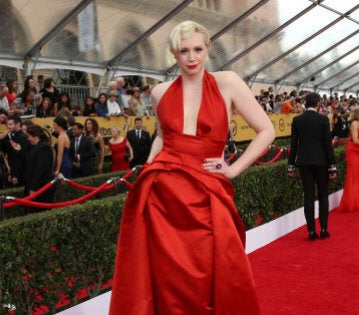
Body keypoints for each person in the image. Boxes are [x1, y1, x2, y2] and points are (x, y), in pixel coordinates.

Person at [110, 21, 274, 314]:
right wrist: (148, 169)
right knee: (165, 278)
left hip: (206, 190)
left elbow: (266, 131)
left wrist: (233, 169)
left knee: (213, 272)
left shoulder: (228, 82)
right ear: (174, 53)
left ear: (208, 48)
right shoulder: (160, 92)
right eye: (184, 51)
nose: (191, 57)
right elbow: (162, 135)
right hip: (162, 193)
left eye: (198, 49)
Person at [288, 92, 337, 240]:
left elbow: (293, 145)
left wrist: (291, 165)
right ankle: (323, 229)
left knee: (308, 196)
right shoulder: (323, 120)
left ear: (305, 104)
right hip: (321, 162)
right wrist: (332, 165)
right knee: (323, 194)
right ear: (318, 104)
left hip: (304, 163)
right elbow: (327, 145)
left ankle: (310, 231)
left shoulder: (297, 120)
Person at [24, 124, 55, 212]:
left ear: (35, 136)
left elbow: (40, 170)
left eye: (29, 136)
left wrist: (34, 189)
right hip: (35, 187)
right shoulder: (35, 147)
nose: (28, 139)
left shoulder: (44, 147)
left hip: (41, 188)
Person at [2, 116, 30, 187]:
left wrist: (16, 176)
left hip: (21, 176)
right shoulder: (14, 137)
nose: (8, 126)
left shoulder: (22, 138)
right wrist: (11, 174)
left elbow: (21, 159)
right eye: (8, 124)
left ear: (17, 125)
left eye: (11, 124)